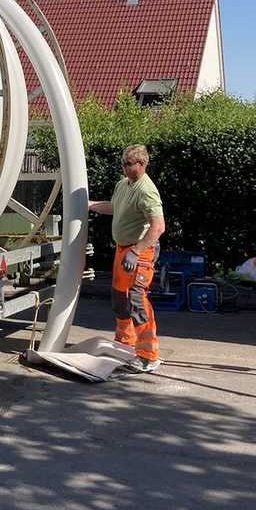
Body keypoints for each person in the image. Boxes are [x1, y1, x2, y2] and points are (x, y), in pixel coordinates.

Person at [88, 144, 166, 373]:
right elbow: (115, 207)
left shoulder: (146, 190)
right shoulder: (124, 184)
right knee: (119, 298)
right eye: (122, 163)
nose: (123, 167)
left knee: (136, 300)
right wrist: (90, 205)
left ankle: (149, 356)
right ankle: (125, 343)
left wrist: (136, 251)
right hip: (123, 249)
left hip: (140, 251)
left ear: (141, 165)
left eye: (127, 164)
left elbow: (158, 226)